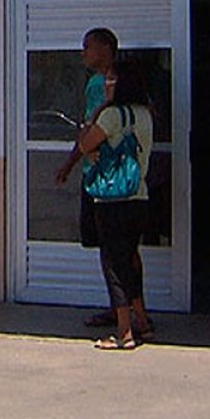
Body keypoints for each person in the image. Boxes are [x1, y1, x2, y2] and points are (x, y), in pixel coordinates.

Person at [57, 60, 154, 349]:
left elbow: (86, 143)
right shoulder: (144, 115)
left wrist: (95, 116)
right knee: (131, 259)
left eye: (110, 81)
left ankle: (124, 332)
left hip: (111, 200)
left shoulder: (111, 115)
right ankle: (143, 322)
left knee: (114, 263)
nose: (106, 85)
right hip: (138, 197)